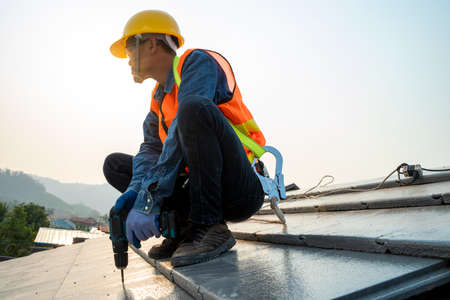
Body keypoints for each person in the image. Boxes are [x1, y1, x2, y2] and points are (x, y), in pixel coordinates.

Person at [103, 10, 265, 267]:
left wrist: (151, 200)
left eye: (130, 51)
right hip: (198, 185)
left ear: (153, 44)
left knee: (192, 109)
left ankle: (210, 225)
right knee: (115, 165)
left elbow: (184, 124)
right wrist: (136, 193)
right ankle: (181, 230)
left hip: (238, 187)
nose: (128, 60)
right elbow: (150, 152)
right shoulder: (158, 98)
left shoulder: (197, 63)